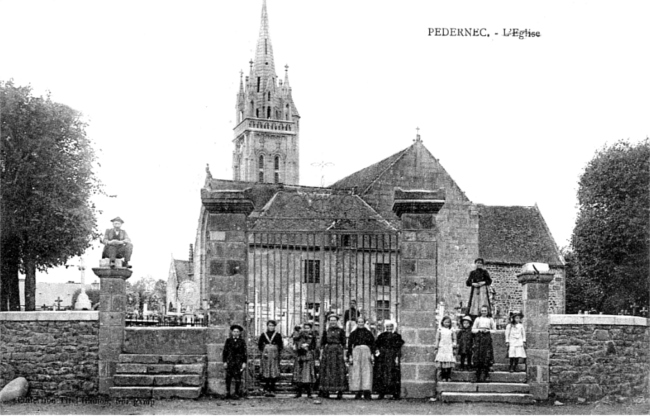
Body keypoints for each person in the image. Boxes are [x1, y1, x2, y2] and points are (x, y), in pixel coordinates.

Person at [373, 319, 404, 400]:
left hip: (392, 356)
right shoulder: (382, 335)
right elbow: (376, 345)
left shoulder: (397, 336)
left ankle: (394, 393)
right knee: (382, 374)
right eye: (387, 326)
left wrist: (397, 356)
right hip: (383, 357)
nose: (389, 328)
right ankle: (382, 392)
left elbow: (398, 347)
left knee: (392, 374)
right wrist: (377, 352)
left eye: (391, 326)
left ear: (393, 327)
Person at [319, 314, 347, 399]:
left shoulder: (341, 331)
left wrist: (344, 355)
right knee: (327, 371)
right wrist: (321, 355)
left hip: (338, 352)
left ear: (337, 321)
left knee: (338, 371)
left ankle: (339, 392)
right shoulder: (326, 331)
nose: (333, 322)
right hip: (328, 352)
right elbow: (322, 344)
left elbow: (344, 343)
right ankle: (326, 391)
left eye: (334, 320)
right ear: (329, 321)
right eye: (331, 320)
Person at [348, 316, 375, 400]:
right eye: (359, 322)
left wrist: (372, 354)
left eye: (362, 322)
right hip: (356, 352)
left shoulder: (368, 333)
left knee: (366, 371)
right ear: (356, 323)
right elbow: (349, 345)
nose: (360, 323)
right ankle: (358, 392)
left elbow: (373, 344)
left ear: (364, 323)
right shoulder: (353, 333)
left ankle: (367, 392)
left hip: (366, 351)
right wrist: (350, 356)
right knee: (357, 372)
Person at [258, 320, 283, 397]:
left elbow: (281, 345)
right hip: (266, 355)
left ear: (274, 326)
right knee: (266, 370)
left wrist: (276, 351)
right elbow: (259, 345)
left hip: (274, 355)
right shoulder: (263, 335)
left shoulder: (278, 335)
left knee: (273, 370)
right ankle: (266, 388)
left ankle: (272, 388)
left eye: (272, 325)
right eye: (269, 325)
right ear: (267, 326)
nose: (271, 327)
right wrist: (265, 350)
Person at [292, 322, 317, 398]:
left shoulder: (312, 336)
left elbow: (314, 346)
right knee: (299, 373)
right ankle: (298, 392)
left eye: (308, 328)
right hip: (300, 356)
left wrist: (308, 347)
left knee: (308, 374)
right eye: (305, 328)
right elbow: (295, 343)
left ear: (310, 329)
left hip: (308, 356)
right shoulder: (300, 336)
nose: (306, 330)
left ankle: (309, 392)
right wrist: (300, 347)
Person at [222, 324, 247, 399]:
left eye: (237, 331)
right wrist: (225, 362)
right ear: (232, 332)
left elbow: (244, 353)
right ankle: (227, 392)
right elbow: (225, 352)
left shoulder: (242, 341)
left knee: (238, 378)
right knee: (228, 378)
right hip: (230, 362)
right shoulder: (228, 341)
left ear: (239, 333)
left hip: (238, 362)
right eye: (234, 331)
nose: (236, 333)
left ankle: (237, 393)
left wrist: (244, 363)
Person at [472, 305, 495, 382]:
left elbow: (494, 330)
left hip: (487, 338)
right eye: (482, 311)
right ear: (480, 311)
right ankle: (477, 375)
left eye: (485, 311)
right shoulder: (478, 319)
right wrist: (479, 330)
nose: (484, 312)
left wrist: (488, 331)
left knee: (487, 355)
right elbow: (473, 329)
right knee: (478, 354)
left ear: (487, 311)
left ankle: (485, 375)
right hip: (479, 338)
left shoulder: (490, 319)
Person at [434, 316, 457, 382]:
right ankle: (443, 376)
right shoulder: (440, 330)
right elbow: (437, 339)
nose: (447, 324)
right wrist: (436, 346)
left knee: (449, 362)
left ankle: (448, 376)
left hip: (449, 347)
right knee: (443, 362)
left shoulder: (452, 330)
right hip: (442, 347)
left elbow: (454, 339)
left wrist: (454, 345)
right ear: (442, 322)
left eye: (448, 322)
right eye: (446, 322)